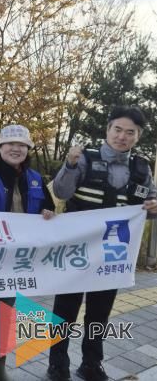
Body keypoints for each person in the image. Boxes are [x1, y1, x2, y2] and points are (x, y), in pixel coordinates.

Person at [46, 106, 157, 381]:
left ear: (137, 136)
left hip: (113, 253)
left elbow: (150, 202)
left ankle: (91, 363)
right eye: (117, 129)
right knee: (65, 309)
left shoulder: (141, 167)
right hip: (76, 250)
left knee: (100, 312)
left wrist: (154, 207)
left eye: (130, 132)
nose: (122, 136)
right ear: (108, 129)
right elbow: (61, 191)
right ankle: (57, 363)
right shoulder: (85, 158)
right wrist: (70, 165)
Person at [0, 124, 55, 381]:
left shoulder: (34, 178)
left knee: (6, 308)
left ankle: (0, 362)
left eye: (21, 145)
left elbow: (48, 207)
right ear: (0, 147)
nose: (16, 149)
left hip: (18, 258)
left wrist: (48, 213)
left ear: (27, 150)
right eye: (10, 144)